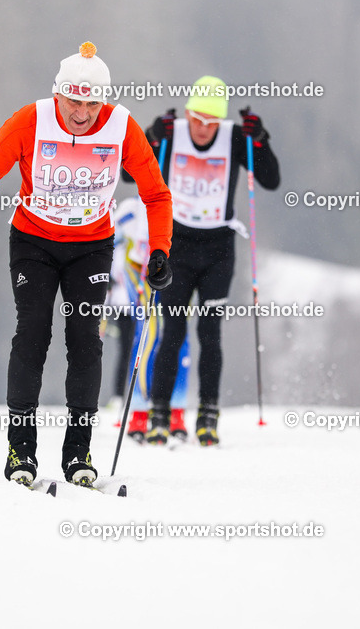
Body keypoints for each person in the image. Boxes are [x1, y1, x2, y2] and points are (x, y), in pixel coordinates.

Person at [0, 42, 173, 486]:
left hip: (91, 246)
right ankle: (21, 451)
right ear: (58, 94)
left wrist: (160, 251)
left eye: (93, 102)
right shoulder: (29, 121)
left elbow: (156, 193)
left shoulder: (121, 126)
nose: (82, 112)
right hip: (33, 242)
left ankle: (78, 453)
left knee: (85, 339)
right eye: (74, 100)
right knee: (33, 331)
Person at [143, 76, 280, 446]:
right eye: (198, 119)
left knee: (210, 333)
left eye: (212, 122)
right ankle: (160, 414)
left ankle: (207, 415)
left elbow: (270, 179)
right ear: (188, 113)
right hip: (176, 245)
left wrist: (260, 140)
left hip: (218, 249)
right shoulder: (172, 133)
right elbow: (129, 171)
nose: (203, 129)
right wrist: (151, 136)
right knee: (171, 333)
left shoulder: (234, 137)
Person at [106, 196, 191, 442]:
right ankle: (140, 412)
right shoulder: (131, 207)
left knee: (177, 336)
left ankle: (176, 410)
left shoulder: (179, 200)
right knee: (146, 335)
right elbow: (110, 238)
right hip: (140, 274)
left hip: (176, 272)